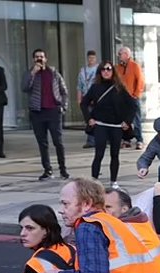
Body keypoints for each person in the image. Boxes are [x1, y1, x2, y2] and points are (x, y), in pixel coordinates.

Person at [80, 61, 134, 189]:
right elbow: (83, 103)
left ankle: (113, 181)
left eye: (109, 69)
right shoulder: (95, 87)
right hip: (100, 124)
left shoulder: (119, 88)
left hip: (116, 126)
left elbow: (132, 105)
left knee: (115, 154)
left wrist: (127, 121)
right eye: (103, 69)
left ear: (113, 72)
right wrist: (89, 119)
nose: (106, 71)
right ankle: (94, 181)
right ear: (100, 72)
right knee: (99, 154)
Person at [21, 48, 69, 181]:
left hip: (53, 111)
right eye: (37, 57)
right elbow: (24, 88)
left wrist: (63, 108)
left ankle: (63, 169)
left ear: (46, 59)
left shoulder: (54, 73)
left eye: (41, 57)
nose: (39, 59)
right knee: (42, 143)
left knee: (58, 142)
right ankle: (47, 170)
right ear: (33, 59)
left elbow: (64, 92)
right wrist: (33, 73)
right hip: (37, 112)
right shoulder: (29, 73)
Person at [115, 46, 145, 149]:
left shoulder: (134, 66)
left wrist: (136, 95)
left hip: (132, 97)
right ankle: (126, 139)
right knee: (124, 120)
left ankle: (139, 140)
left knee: (136, 119)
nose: (118, 56)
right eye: (118, 54)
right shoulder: (117, 68)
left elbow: (140, 81)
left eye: (120, 54)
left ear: (127, 55)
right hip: (121, 98)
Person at [75, 50, 99, 149]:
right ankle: (91, 140)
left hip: (97, 98)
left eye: (93, 58)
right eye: (89, 58)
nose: (91, 60)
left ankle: (98, 139)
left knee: (98, 119)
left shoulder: (99, 70)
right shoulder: (82, 71)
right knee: (89, 119)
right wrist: (79, 98)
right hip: (86, 97)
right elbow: (79, 86)